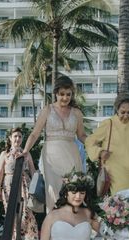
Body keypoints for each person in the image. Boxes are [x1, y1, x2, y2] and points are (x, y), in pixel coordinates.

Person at [20, 75, 88, 210]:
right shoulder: (47, 110)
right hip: (51, 156)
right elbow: (34, 134)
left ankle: (72, 224)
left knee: (74, 189)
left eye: (68, 94)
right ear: (56, 93)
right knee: (53, 191)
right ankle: (53, 226)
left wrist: (95, 146)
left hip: (72, 155)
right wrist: (25, 151)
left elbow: (81, 135)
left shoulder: (77, 113)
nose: (65, 98)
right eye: (62, 94)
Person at [0, 127, 39, 240]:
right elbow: (0, 172)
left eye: (20, 136)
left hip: (25, 184)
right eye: (15, 136)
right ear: (10, 138)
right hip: (9, 185)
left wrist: (37, 186)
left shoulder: (26, 154)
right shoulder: (4, 154)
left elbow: (33, 170)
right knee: (11, 213)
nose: (17, 138)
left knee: (26, 211)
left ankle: (27, 239)